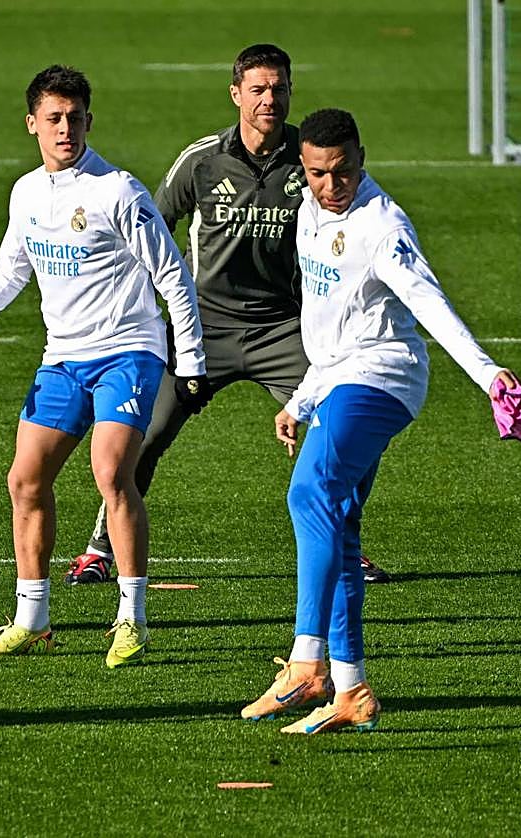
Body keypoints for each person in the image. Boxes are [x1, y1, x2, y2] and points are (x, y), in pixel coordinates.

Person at [240, 108, 521, 733]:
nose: (332, 185)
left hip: (384, 377)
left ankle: (307, 661)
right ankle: (350, 689)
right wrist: (300, 399)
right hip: (339, 378)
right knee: (340, 524)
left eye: (343, 171)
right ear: (303, 169)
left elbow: (430, 302)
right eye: (318, 173)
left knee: (309, 493)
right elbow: (331, 330)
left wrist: (490, 375)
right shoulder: (307, 213)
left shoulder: (383, 226)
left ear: (362, 159)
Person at [62, 44, 392, 587]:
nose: (269, 99)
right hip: (202, 328)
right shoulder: (203, 159)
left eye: (279, 88)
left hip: (284, 329)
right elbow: (150, 224)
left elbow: (356, 226)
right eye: (258, 89)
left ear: (291, 92)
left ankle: (342, 545)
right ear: (236, 93)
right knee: (144, 434)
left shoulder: (310, 161)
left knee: (342, 424)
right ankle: (100, 548)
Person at [0, 65, 207, 667]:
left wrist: (191, 359)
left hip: (128, 350)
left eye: (74, 118)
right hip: (63, 357)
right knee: (24, 479)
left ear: (89, 121)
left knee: (111, 471)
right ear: (32, 124)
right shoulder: (26, 193)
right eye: (54, 119)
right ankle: (32, 619)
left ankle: (132, 619)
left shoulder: (117, 191)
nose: (65, 129)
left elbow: (171, 274)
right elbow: (12, 269)